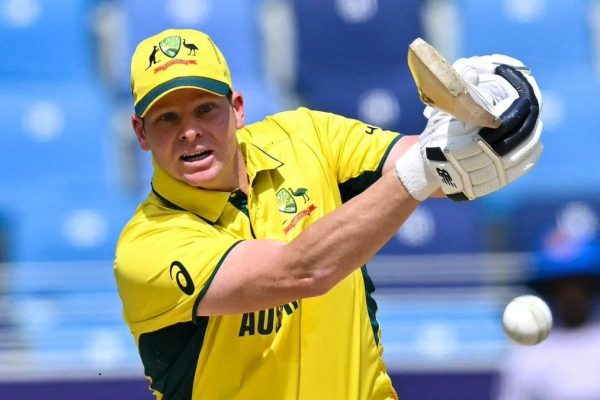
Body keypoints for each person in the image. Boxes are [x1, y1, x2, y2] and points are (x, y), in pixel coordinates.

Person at [113, 28, 543, 400]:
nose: (190, 131)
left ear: (237, 109)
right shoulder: (146, 248)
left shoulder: (305, 137)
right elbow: (299, 272)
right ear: (140, 133)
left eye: (205, 109)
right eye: (167, 118)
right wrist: (429, 166)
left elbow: (438, 170)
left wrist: (482, 122)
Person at [495, 232, 600, 400]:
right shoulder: (527, 355)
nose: (571, 296)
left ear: (592, 288)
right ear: (548, 292)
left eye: (579, 285)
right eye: (561, 287)